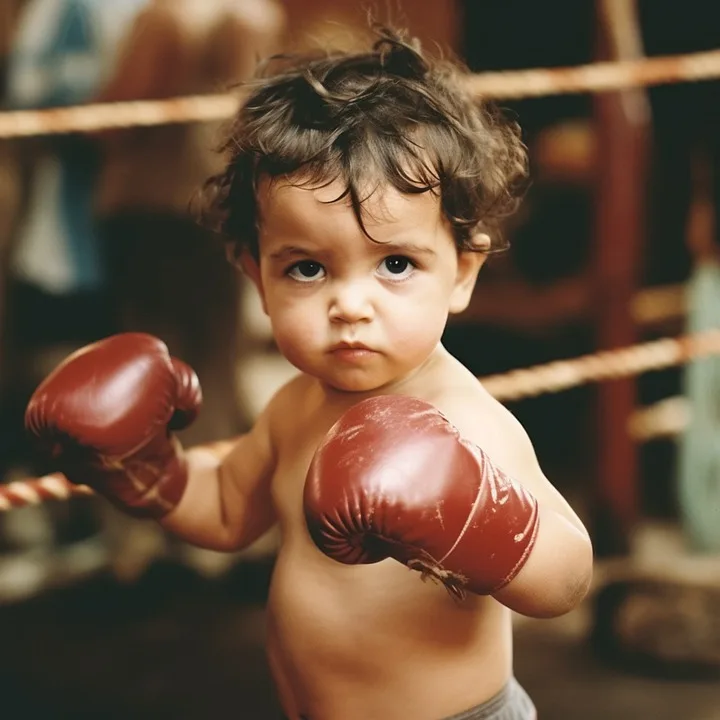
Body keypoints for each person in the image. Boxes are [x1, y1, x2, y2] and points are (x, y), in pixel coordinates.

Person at [25, 27, 593, 720]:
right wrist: (146, 471)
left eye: (395, 264)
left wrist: (480, 520)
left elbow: (566, 574)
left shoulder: (464, 419)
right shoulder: (297, 406)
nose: (349, 305)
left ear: (462, 272)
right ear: (255, 279)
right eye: (307, 268)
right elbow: (230, 510)